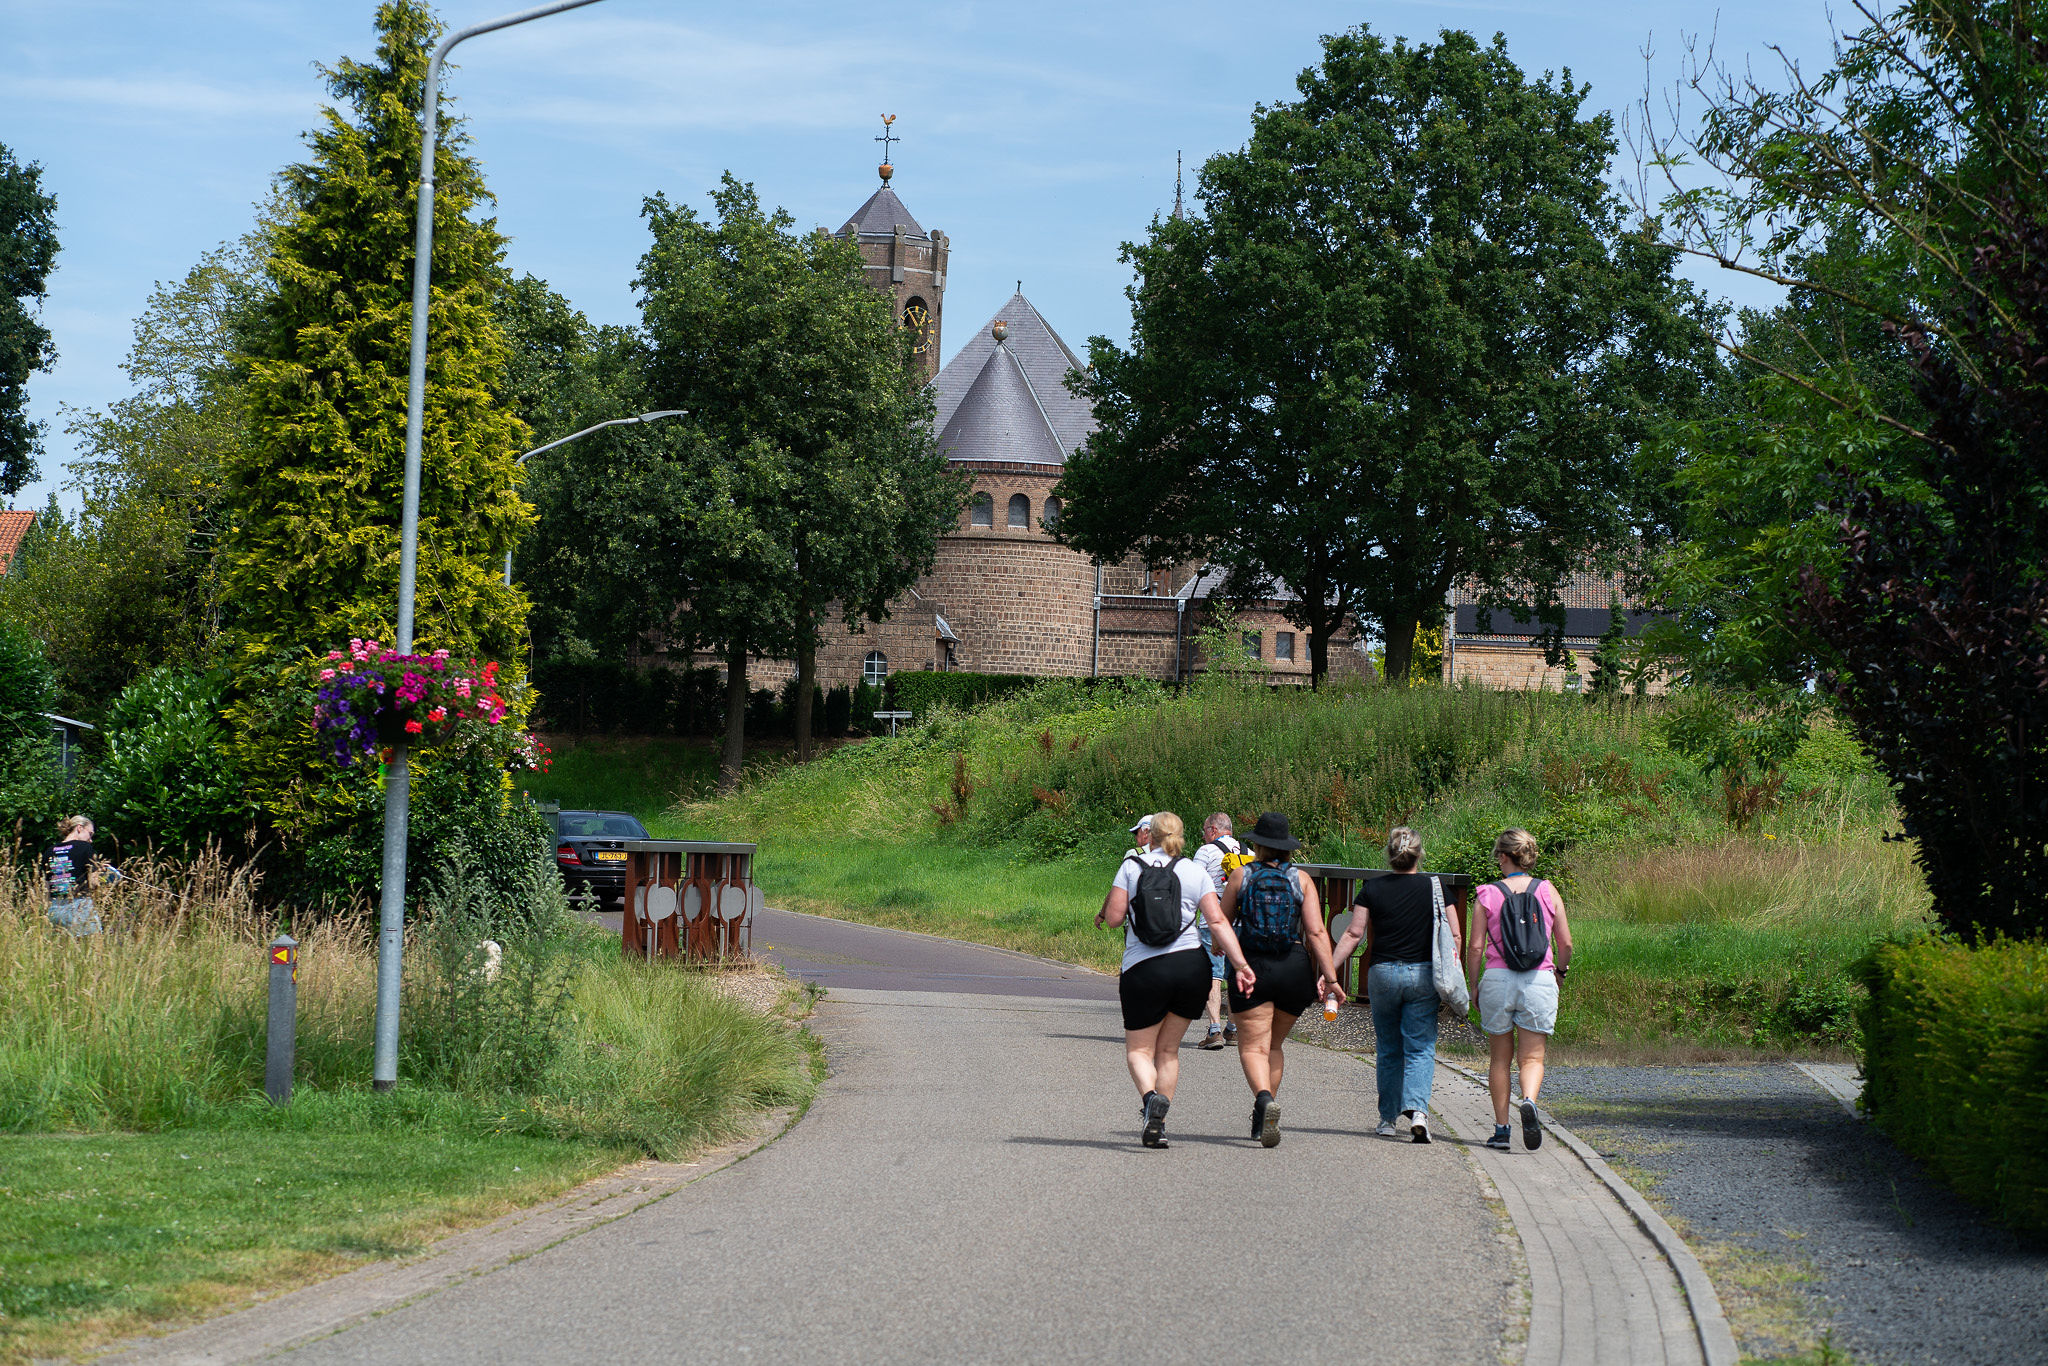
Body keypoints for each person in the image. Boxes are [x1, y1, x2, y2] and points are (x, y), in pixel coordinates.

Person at [1098, 812, 1253, 1148]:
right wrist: (1240, 964)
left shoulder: (1131, 866)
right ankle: (1159, 1126)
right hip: (1189, 969)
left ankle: (1150, 1099)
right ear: (1181, 837)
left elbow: (1112, 919)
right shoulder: (1194, 871)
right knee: (1167, 1051)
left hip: (1143, 969)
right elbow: (1217, 922)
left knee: (1140, 1050)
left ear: (1149, 835)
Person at [1219, 811, 1343, 1148]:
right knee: (1273, 1046)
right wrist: (1330, 979)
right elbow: (1317, 931)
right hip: (1293, 967)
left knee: (1252, 1046)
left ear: (1256, 845)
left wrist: (1221, 949)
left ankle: (1262, 1100)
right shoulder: (1301, 879)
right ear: (1288, 847)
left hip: (1252, 967)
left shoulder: (1241, 876)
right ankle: (1263, 1115)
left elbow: (1221, 927)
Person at [1331, 827, 1453, 1143]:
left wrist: (1328, 972)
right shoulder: (1435, 887)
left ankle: (1387, 1119)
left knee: (1388, 1048)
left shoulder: (1372, 888)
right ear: (1418, 854)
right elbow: (1455, 934)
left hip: (1383, 974)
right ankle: (1419, 1113)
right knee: (1420, 1046)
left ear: (1390, 854)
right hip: (1423, 974)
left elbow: (1354, 934)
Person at [1466, 827, 1573, 1152]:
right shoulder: (1548, 891)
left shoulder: (1486, 894)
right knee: (1532, 1056)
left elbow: (1474, 947)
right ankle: (1529, 1100)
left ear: (1502, 856)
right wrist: (1560, 973)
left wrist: (1474, 985)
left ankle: (1501, 1130)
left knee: (1500, 1060)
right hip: (1538, 980)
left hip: (1498, 979)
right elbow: (1565, 942)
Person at [1190, 812, 1245, 1049]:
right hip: (1242, 923)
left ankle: (1214, 1030)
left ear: (1213, 830)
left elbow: (1192, 884)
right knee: (1236, 974)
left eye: (1204, 831)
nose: (1203, 836)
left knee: (1213, 974)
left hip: (1213, 923)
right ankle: (1232, 1029)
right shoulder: (1248, 852)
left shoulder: (1205, 852)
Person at [47, 815, 107, 937]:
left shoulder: (50, 851)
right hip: (80, 908)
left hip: (55, 910)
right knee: (95, 950)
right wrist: (104, 875)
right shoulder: (85, 848)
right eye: (90, 834)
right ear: (79, 828)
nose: (91, 840)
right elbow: (94, 883)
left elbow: (46, 887)